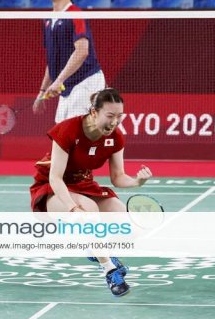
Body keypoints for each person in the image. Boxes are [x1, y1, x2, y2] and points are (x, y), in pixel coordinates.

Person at [29, 88, 153, 297]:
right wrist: (72, 208)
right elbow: (55, 178)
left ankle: (93, 248)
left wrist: (137, 181)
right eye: (110, 116)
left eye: (119, 117)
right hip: (53, 188)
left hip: (84, 185)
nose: (114, 122)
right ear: (94, 112)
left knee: (124, 220)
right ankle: (110, 271)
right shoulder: (67, 130)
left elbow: (117, 177)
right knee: (89, 215)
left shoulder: (116, 138)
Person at [33, 0, 106, 124]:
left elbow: (82, 51)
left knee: (75, 132)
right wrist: (42, 91)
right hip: (68, 85)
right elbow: (52, 61)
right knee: (61, 133)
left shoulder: (75, 14)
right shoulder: (48, 20)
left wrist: (59, 80)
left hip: (85, 80)